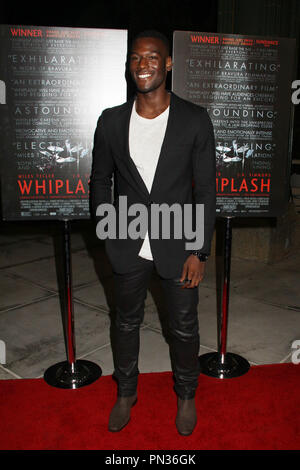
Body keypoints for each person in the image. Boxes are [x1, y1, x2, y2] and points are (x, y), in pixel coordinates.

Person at [90, 30, 216, 436]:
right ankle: (126, 392)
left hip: (178, 242)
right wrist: (107, 230)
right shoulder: (111, 121)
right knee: (125, 322)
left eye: (152, 57)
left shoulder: (194, 119)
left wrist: (200, 249)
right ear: (130, 66)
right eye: (135, 58)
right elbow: (99, 181)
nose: (142, 64)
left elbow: (205, 189)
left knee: (183, 327)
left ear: (168, 64)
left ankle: (186, 395)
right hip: (126, 241)